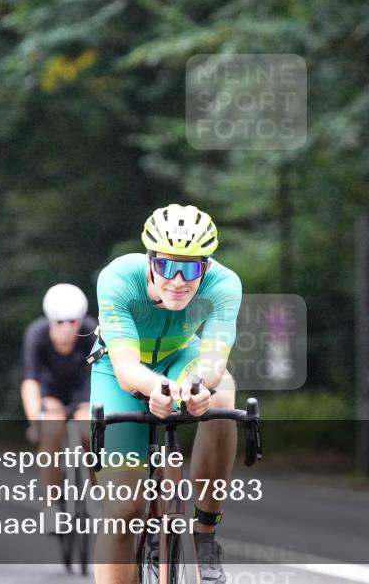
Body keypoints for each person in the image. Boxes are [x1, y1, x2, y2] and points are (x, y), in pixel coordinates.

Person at [89, 204, 241, 584]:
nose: (177, 280)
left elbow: (214, 361)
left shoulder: (224, 284)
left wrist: (199, 388)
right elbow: (126, 370)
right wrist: (154, 388)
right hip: (118, 367)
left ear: (205, 266)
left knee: (223, 396)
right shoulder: (118, 278)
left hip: (181, 358)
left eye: (190, 268)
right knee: (123, 512)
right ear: (149, 260)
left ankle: (205, 533)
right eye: (166, 266)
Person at [20, 283, 97, 500]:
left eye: (72, 321)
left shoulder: (91, 331)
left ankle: (99, 491)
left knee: (90, 432)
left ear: (80, 320)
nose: (66, 327)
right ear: (51, 321)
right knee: (51, 430)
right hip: (50, 391)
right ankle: (51, 502)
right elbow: (30, 381)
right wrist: (35, 421)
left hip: (83, 389)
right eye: (60, 322)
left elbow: (101, 373)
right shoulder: (37, 334)